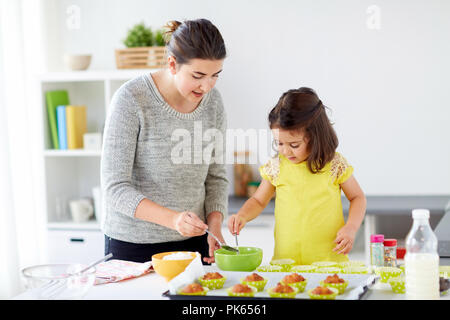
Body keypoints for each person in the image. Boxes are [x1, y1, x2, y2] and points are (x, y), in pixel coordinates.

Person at [101, 19, 228, 264]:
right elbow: (115, 189)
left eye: (215, 75)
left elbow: (216, 176)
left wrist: (215, 225)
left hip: (194, 244)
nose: (207, 85)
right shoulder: (131, 99)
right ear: (172, 64)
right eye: (198, 75)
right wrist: (174, 220)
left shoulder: (213, 102)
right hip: (132, 246)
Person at [228, 87, 366, 265]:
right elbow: (258, 201)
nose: (285, 151)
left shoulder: (334, 164)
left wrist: (351, 228)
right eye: (279, 143)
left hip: (329, 262)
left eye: (294, 144)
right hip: (287, 263)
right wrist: (242, 216)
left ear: (315, 136)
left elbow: (357, 197)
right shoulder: (276, 166)